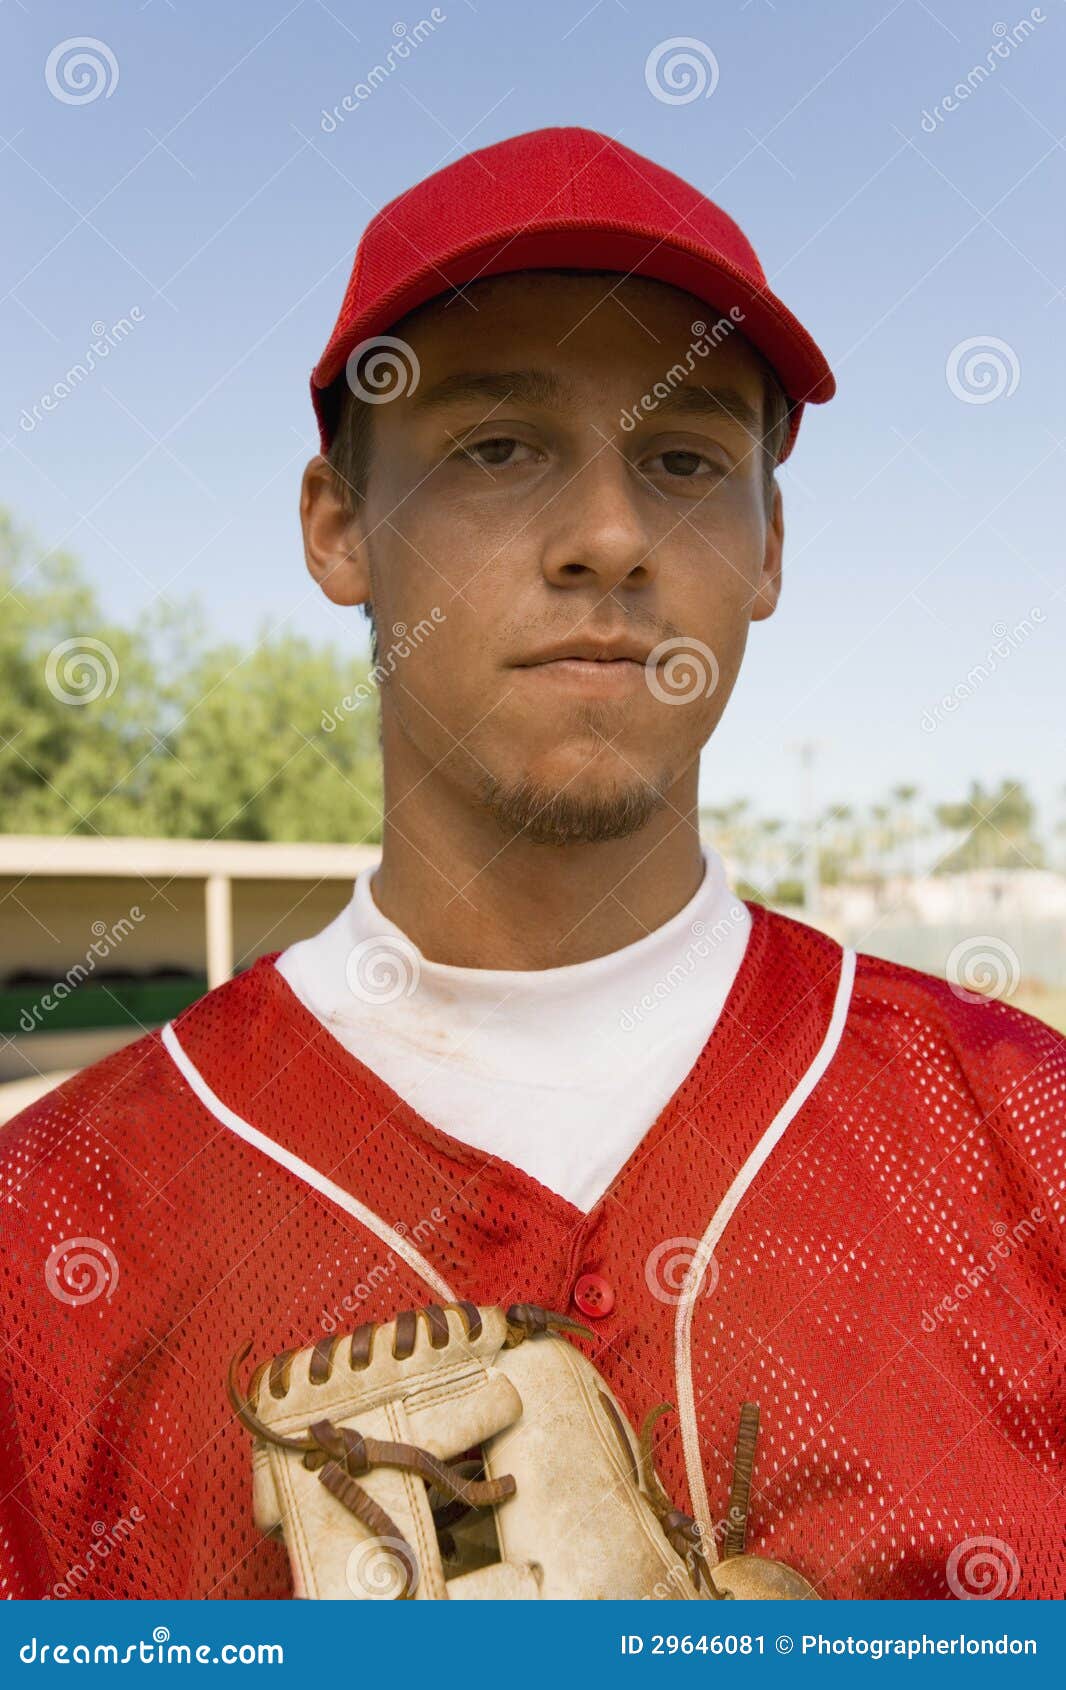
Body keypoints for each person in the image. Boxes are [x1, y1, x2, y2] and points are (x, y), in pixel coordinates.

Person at [1, 127, 1062, 1603]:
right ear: (335, 526)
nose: (611, 535)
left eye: (685, 457)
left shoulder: (1024, 1144)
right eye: (497, 447)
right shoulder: (44, 1233)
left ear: (766, 548)